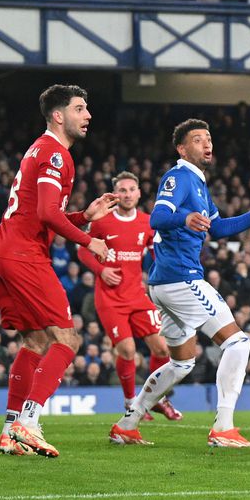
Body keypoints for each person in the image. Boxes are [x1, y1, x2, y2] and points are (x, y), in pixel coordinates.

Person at [108, 120, 250, 448]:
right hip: (182, 278)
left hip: (164, 283)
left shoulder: (199, 184)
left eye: (209, 138)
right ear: (182, 149)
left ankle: (127, 424)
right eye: (198, 139)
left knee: (183, 361)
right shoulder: (179, 177)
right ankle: (224, 427)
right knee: (238, 343)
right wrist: (184, 218)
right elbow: (159, 217)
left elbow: (216, 230)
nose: (206, 143)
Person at [0, 85, 115, 457]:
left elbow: (40, 216)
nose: (87, 115)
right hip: (23, 256)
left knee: (36, 342)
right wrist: (89, 240)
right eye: (80, 109)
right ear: (58, 116)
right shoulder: (56, 154)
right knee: (67, 339)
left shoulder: (38, 150)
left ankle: (10, 431)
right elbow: (46, 215)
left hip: (2, 253)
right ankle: (28, 421)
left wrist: (84, 217)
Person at [77, 171, 182, 423]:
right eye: (122, 190)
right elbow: (83, 251)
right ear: (115, 194)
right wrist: (101, 270)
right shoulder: (102, 222)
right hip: (110, 298)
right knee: (127, 349)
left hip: (137, 296)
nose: (127, 194)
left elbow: (154, 252)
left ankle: (156, 398)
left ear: (138, 193)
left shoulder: (147, 222)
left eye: (131, 189)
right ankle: (129, 401)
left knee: (162, 347)